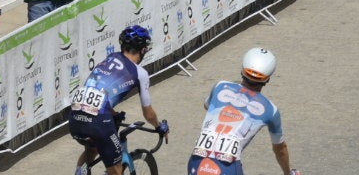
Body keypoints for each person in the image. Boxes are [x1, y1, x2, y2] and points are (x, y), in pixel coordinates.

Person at [69, 25, 168, 175]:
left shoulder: (110, 58)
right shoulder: (140, 73)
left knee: (92, 149)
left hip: (75, 116)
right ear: (143, 50)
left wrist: (113, 113)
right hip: (98, 121)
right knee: (115, 169)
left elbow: (97, 92)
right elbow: (149, 115)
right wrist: (159, 127)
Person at [190, 47, 293, 175]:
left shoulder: (220, 86)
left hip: (197, 161)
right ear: (268, 79)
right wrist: (288, 172)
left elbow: (207, 106)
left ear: (242, 71)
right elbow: (280, 149)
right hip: (228, 166)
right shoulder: (271, 110)